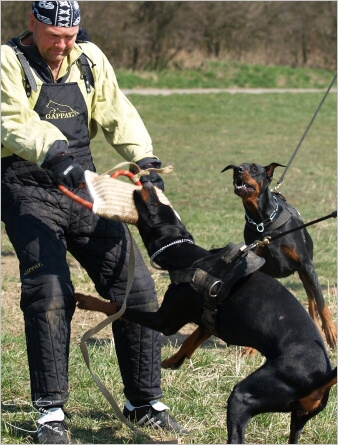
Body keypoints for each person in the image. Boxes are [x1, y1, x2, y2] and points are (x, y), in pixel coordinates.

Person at [1, 2, 188, 443]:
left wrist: (144, 159)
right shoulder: (7, 61)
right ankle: (50, 413)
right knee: (48, 293)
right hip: (27, 188)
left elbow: (116, 110)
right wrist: (54, 153)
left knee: (137, 289)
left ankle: (143, 402)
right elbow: (11, 121)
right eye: (53, 35)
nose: (62, 45)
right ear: (31, 24)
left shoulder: (89, 57)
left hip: (86, 186)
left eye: (69, 35)